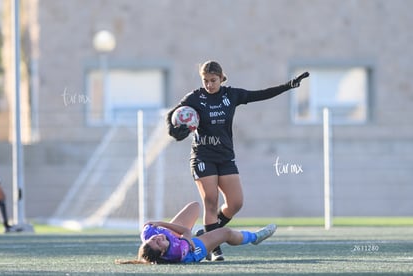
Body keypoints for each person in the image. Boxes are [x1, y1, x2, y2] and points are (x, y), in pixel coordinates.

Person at [166, 61, 309, 261]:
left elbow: (259, 94)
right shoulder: (195, 97)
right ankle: (214, 248)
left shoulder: (230, 95)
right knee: (211, 201)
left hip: (225, 156)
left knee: (235, 203)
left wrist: (289, 85)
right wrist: (174, 130)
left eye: (213, 80)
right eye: (205, 80)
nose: (209, 85)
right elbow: (173, 115)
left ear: (221, 78)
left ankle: (208, 235)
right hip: (202, 156)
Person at [115, 201, 276, 264]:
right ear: (163, 251)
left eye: (152, 239)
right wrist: (161, 224)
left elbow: (148, 228)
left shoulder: (148, 234)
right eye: (158, 242)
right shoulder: (176, 251)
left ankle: (200, 235)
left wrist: (158, 228)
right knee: (225, 233)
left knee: (195, 206)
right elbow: (186, 232)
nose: (156, 237)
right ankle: (255, 237)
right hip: (193, 250)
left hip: (180, 239)